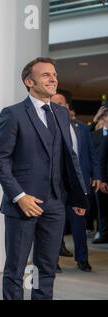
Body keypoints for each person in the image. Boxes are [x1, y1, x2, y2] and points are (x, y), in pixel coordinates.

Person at [0, 57, 88, 300]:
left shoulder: (61, 114)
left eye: (54, 74)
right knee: (16, 268)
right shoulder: (12, 114)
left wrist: (78, 196)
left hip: (55, 204)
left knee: (46, 269)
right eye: (45, 75)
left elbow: (69, 157)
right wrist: (19, 196)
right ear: (29, 81)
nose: (53, 78)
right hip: (24, 204)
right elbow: (0, 159)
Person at [51, 93, 101, 272]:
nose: (58, 106)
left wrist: (97, 175)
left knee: (80, 225)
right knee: (55, 225)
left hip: (79, 186)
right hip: (55, 187)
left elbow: (92, 155)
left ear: (67, 107)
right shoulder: (49, 128)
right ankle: (52, 262)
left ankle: (82, 260)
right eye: (54, 103)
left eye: (61, 103)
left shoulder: (81, 128)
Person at [91, 109, 108, 243]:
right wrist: (101, 179)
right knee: (101, 208)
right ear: (103, 118)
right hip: (101, 177)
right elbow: (99, 159)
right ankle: (103, 234)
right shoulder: (96, 135)